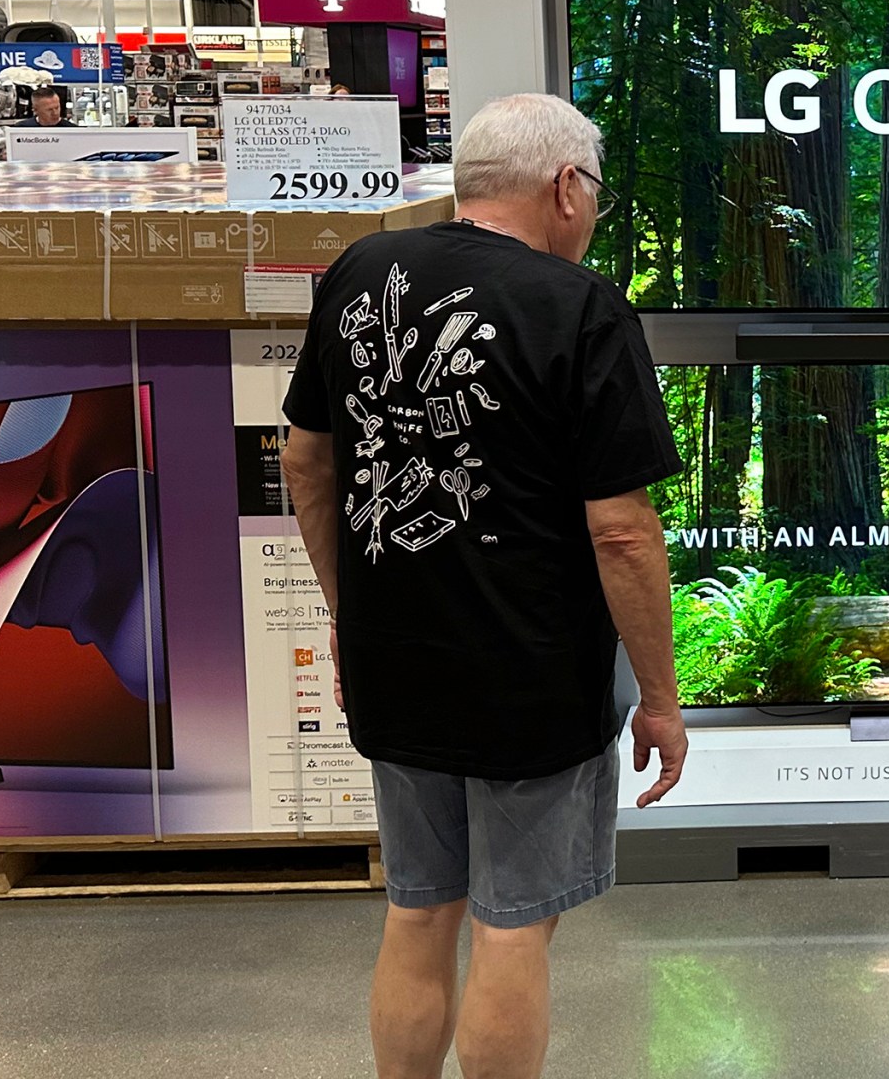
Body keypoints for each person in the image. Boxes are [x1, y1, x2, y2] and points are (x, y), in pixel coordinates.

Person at [278, 92, 688, 1079]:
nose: (590, 216)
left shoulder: (360, 272)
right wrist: (664, 699)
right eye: (592, 194)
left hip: (395, 662)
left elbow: (305, 464)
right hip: (531, 676)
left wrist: (347, 616)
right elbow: (623, 531)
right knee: (514, 927)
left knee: (418, 910)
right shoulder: (577, 306)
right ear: (563, 186)